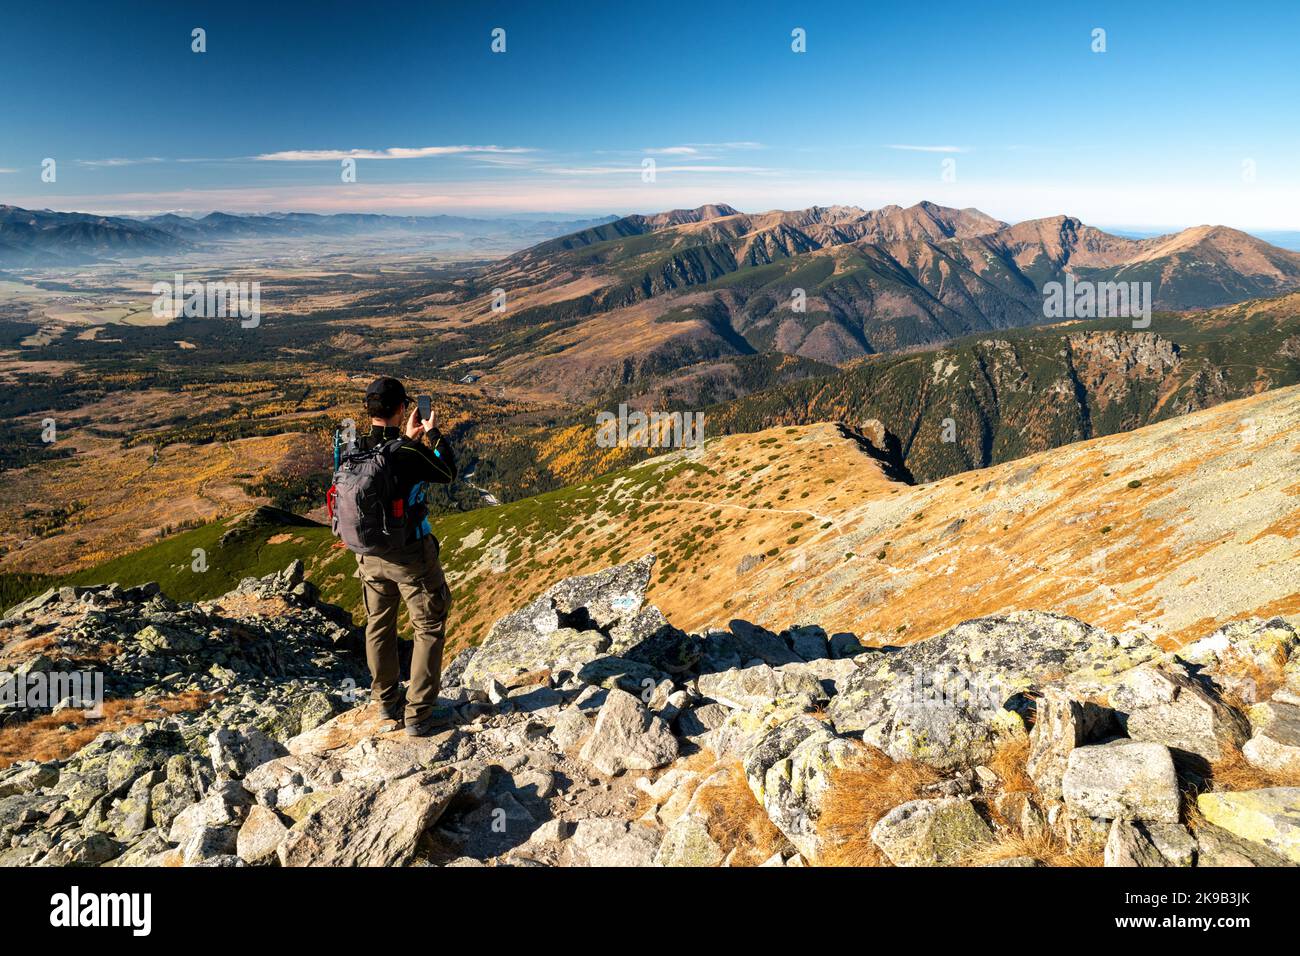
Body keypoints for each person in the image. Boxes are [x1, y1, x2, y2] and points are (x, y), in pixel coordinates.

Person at [342, 376, 457, 736]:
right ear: (402, 409)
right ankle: (419, 715)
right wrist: (433, 433)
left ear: (369, 411)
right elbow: (447, 470)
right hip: (409, 555)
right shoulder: (407, 453)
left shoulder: (355, 449)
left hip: (367, 555)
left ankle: (386, 704)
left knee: (379, 625)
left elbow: (387, 465)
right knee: (428, 625)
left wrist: (407, 438)